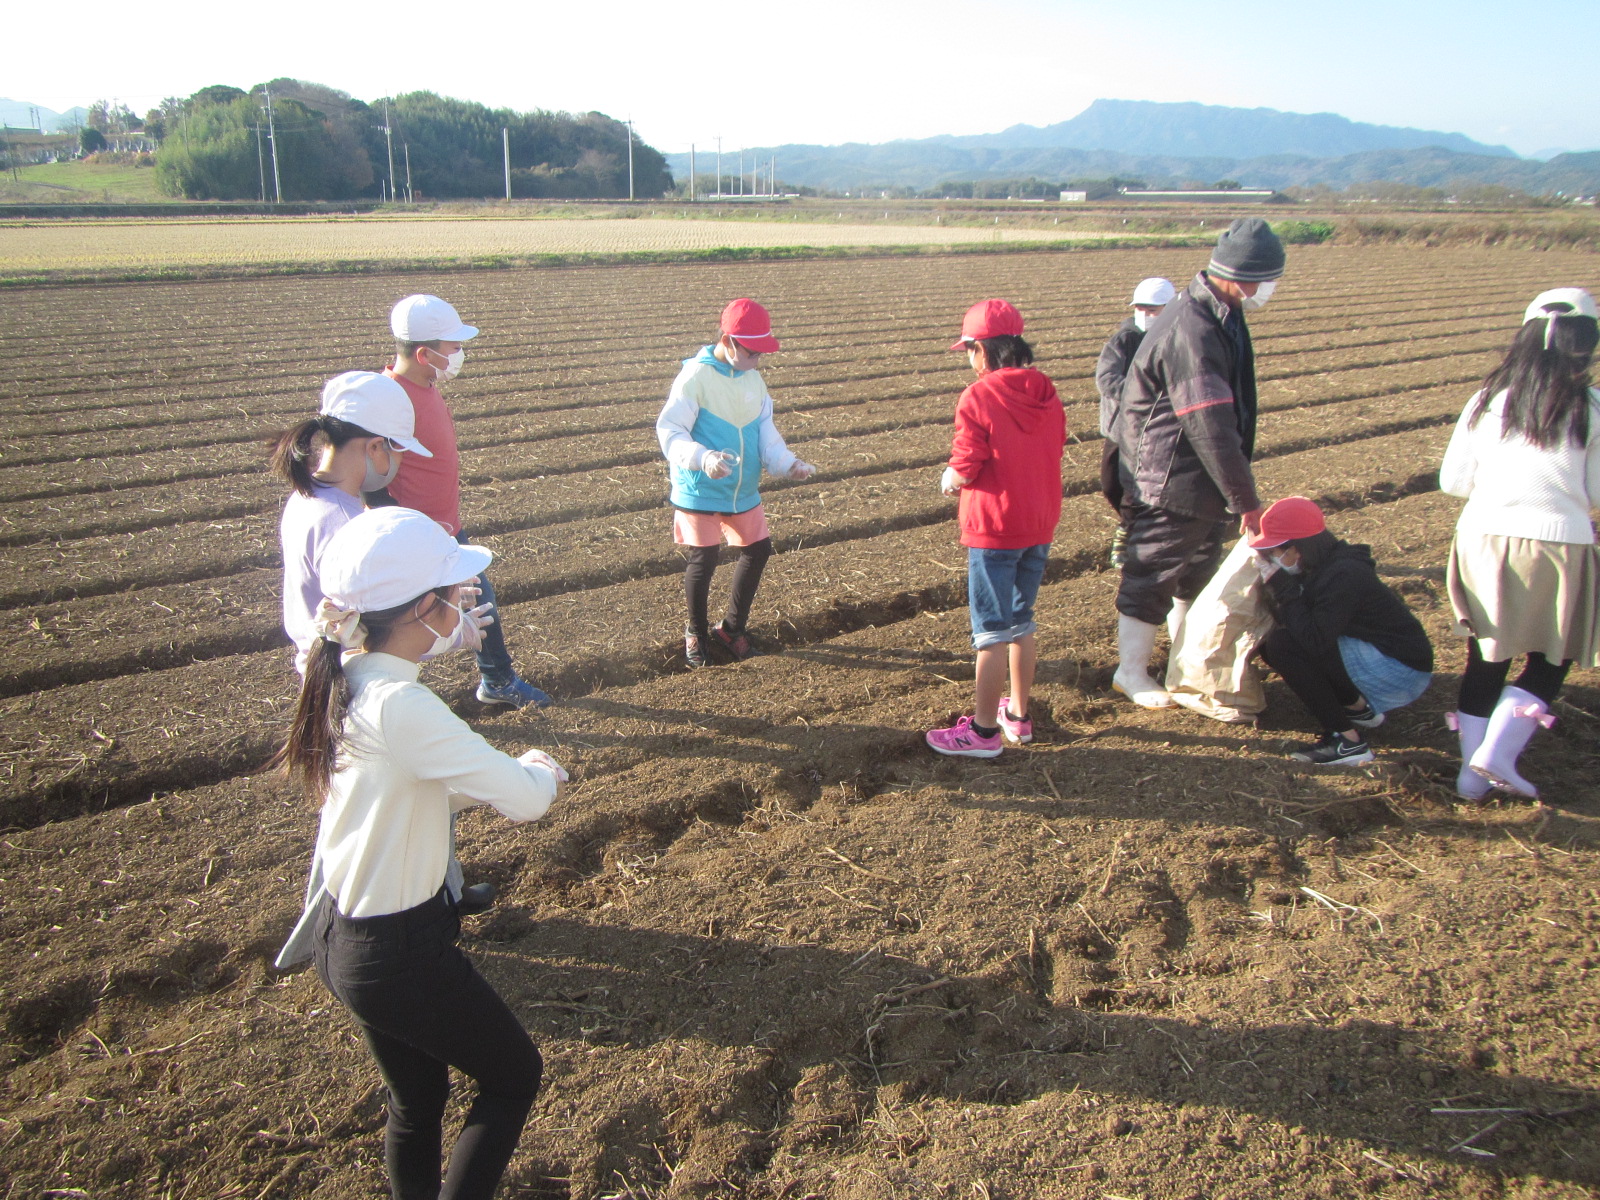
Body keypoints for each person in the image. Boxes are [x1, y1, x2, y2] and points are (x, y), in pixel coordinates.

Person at [277, 506, 567, 1200]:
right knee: (513, 1077)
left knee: (417, 1100)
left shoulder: (345, 676)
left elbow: (411, 796)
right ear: (420, 610)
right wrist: (539, 769)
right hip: (399, 952)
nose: (466, 603)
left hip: (344, 942)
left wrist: (448, 646)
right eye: (453, 597)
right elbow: (525, 800)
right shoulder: (403, 709)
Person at [1111, 218, 1286, 708]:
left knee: (1196, 571)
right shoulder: (1193, 326)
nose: (1267, 290)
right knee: (1153, 571)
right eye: (1265, 280)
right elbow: (1208, 422)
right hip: (1169, 477)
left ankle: (1183, 661)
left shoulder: (1220, 312)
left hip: (1197, 478)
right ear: (1239, 276)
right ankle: (1130, 672)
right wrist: (1245, 500)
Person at [1440, 287, 1600, 800]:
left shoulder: (1488, 400)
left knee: (1485, 656)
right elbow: (1595, 490)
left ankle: (1470, 776)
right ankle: (1499, 753)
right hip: (1559, 544)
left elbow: (1453, 480)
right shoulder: (1590, 407)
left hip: (1484, 539)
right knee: (1551, 657)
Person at [385, 293, 551, 708]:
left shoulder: (425, 384)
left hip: (445, 526)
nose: (461, 353)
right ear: (424, 353)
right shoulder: (392, 400)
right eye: (454, 347)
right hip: (418, 534)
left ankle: (496, 680)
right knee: (405, 619)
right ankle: (394, 698)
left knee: (478, 599)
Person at [925, 299, 1066, 758]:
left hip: (994, 527)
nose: (969, 358)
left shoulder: (979, 396)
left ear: (983, 349)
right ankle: (1019, 717)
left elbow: (967, 461)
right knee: (1022, 621)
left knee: (990, 631)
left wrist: (951, 477)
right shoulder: (1046, 391)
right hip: (1039, 522)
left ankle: (982, 733)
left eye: (969, 349)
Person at [656, 298, 817, 667]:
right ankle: (696, 633)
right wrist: (703, 458)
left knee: (757, 548)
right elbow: (671, 430)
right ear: (728, 342)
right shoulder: (695, 377)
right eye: (751, 352)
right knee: (704, 557)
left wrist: (786, 463)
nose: (756, 360)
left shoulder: (753, 380)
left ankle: (731, 629)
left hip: (742, 489)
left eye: (761, 353)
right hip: (701, 487)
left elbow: (765, 432)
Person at [272, 371, 434, 675]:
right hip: (352, 674)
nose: (402, 462)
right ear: (374, 447)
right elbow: (378, 631)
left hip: (318, 665)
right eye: (399, 450)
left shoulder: (306, 497)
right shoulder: (346, 525)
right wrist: (444, 631)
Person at [1251, 497, 1434, 765]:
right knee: (1275, 645)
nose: (1273, 558)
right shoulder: (1323, 566)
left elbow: (1313, 639)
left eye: (1276, 551)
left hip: (1399, 669)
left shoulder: (1344, 575)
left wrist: (1283, 587)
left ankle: (1348, 742)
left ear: (1299, 548)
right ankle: (1357, 709)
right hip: (1375, 651)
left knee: (1283, 645)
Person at [1096, 277, 1175, 568]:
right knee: (1110, 482)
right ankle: (1132, 522)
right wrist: (1138, 396)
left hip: (1155, 429)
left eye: (1154, 309)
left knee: (1135, 486)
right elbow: (1106, 379)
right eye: (1141, 308)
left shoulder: (1177, 340)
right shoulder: (1124, 340)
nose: (1147, 315)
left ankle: (1128, 531)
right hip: (1120, 428)